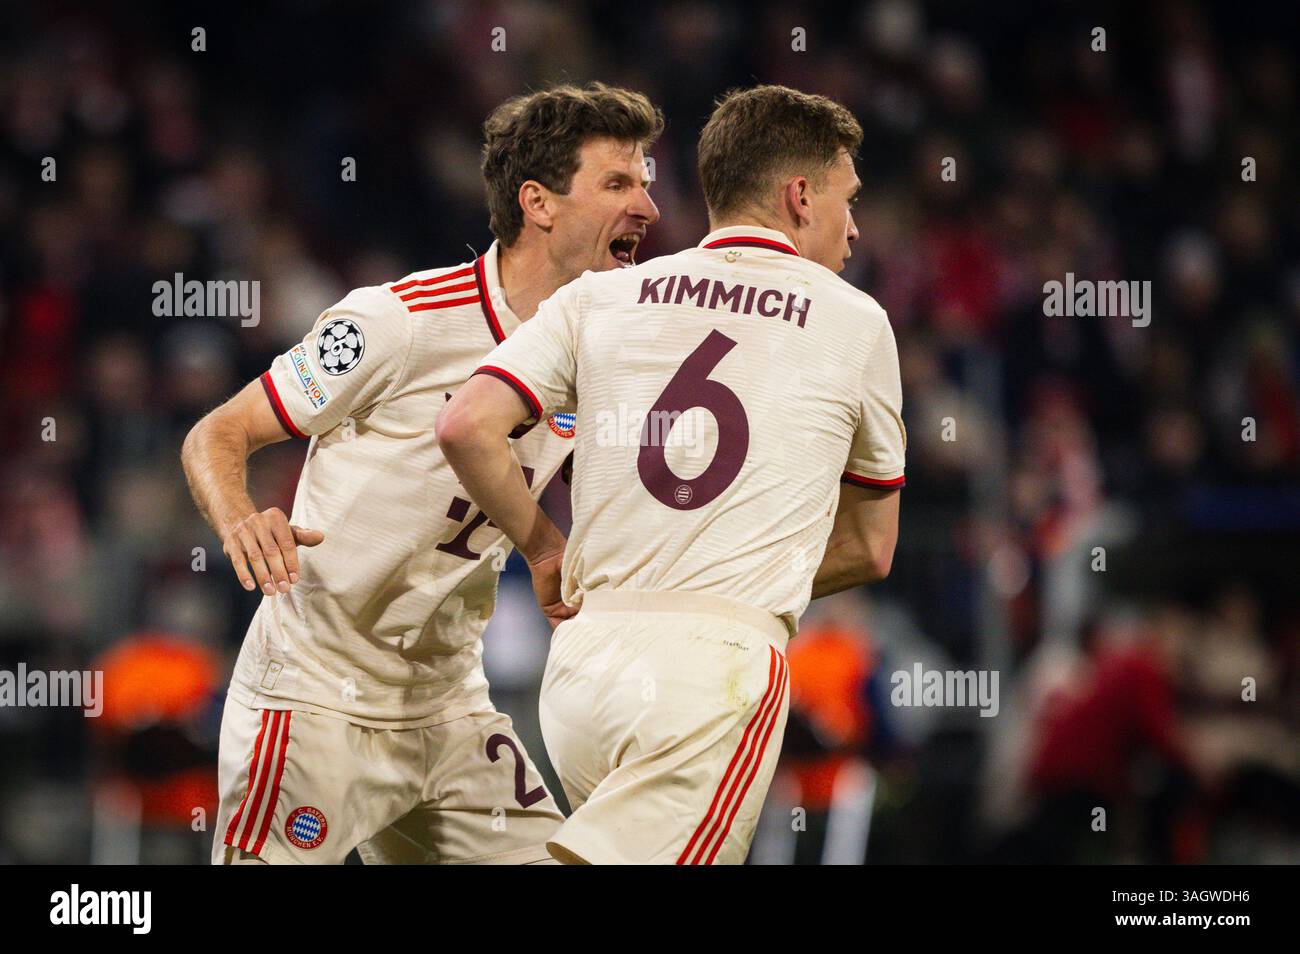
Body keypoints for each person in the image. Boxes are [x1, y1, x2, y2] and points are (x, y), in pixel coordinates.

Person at [181, 83, 662, 864]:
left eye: (645, 183)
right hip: (314, 697)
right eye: (619, 183)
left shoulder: (599, 354)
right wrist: (241, 518)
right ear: (538, 203)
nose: (647, 206)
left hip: (449, 704)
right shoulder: (398, 321)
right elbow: (219, 431)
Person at [437, 84, 904, 864]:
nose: (854, 227)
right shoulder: (857, 322)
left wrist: (545, 550)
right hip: (713, 676)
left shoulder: (601, 297)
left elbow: (465, 423)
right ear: (799, 196)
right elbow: (872, 548)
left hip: (582, 669)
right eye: (846, 199)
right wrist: (732, 568)